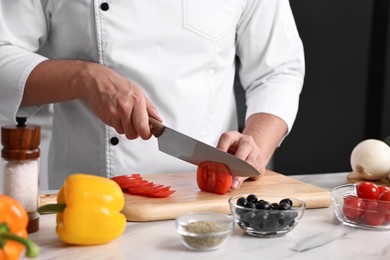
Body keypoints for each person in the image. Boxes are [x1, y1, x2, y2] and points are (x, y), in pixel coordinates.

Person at [0, 0, 305, 190]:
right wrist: (85, 77)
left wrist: (255, 148)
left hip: (209, 196)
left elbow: (278, 69)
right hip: (88, 196)